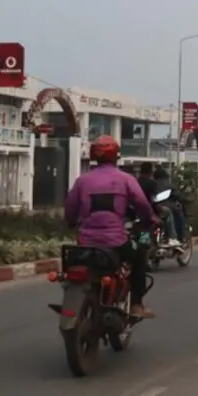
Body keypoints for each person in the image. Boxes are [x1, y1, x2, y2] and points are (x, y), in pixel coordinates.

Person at [64, 135, 158, 318]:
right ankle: (136, 305)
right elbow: (142, 204)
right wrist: (149, 219)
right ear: (116, 156)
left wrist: (71, 222)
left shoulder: (82, 181)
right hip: (116, 241)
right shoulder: (126, 179)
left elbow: (70, 208)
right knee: (139, 258)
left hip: (86, 242)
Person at [139, 163, 181, 247]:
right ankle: (172, 238)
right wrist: (158, 207)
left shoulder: (136, 181)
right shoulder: (152, 183)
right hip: (151, 209)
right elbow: (154, 198)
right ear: (150, 171)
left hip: (139, 210)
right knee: (168, 212)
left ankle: (146, 242)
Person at [153, 166, 187, 242]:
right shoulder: (167, 185)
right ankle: (179, 237)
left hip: (152, 209)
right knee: (179, 213)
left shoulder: (152, 184)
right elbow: (177, 195)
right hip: (165, 207)